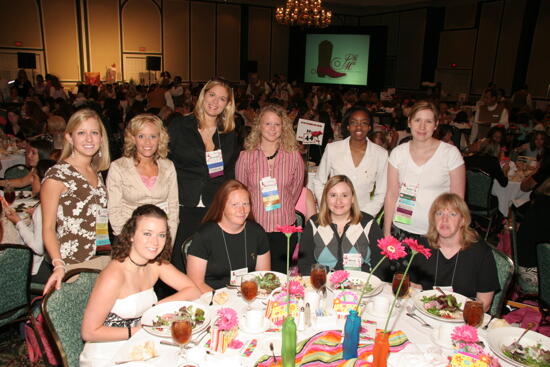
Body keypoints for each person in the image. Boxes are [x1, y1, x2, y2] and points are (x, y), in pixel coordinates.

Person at [80, 205, 201, 367]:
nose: (155, 242)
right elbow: (89, 332)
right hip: (107, 353)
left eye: (161, 235)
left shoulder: (155, 265)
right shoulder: (113, 276)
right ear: (131, 235)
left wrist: (156, 308)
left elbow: (193, 290)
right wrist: (136, 331)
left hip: (140, 345)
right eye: (147, 234)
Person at [168, 77, 239, 272]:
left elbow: (228, 172)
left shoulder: (227, 133)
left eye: (222, 99)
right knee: (179, 261)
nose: (215, 102)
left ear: (227, 104)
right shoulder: (180, 125)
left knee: (208, 260)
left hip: (212, 205)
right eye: (212, 95)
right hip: (184, 202)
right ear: (203, 95)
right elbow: (165, 161)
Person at [41, 108, 111, 294]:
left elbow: (100, 220)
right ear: (69, 138)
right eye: (81, 133)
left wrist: (108, 255)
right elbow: (48, 228)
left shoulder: (96, 172)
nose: (89, 139)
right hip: (72, 265)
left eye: (94, 133)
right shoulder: (57, 175)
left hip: (100, 260)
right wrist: (58, 265)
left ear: (101, 138)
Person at [236, 104, 304, 273]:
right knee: (256, 277)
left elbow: (295, 191)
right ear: (259, 126)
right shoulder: (246, 156)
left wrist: (282, 205)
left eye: (277, 124)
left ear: (284, 127)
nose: (272, 129)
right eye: (268, 124)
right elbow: (241, 192)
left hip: (285, 229)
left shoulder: (294, 156)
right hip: (254, 228)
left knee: (281, 277)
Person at [384, 100, 465, 239]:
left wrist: (454, 234)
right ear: (409, 122)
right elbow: (391, 194)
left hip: (437, 231)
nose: (422, 126)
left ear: (436, 125)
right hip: (401, 228)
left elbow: (458, 200)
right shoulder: (398, 153)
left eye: (428, 121)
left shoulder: (450, 154)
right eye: (417, 120)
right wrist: (386, 231)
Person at [409, 193, 499, 312]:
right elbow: (414, 288)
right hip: (425, 314)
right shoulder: (422, 246)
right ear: (433, 219)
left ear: (463, 220)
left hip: (462, 318)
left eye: (452, 214)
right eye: (439, 213)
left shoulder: (480, 252)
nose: (444, 219)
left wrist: (454, 316)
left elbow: (484, 303)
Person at [298, 175, 389, 280]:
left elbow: (382, 265)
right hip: (325, 284)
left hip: (361, 287)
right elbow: (304, 265)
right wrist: (330, 276)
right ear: (326, 198)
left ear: (353, 198)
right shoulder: (314, 224)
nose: (338, 201)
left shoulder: (368, 223)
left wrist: (366, 284)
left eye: (344, 195)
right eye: (333, 195)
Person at [186, 180, 270, 292]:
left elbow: (263, 277)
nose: (242, 210)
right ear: (221, 206)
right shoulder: (205, 236)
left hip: (248, 296)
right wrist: (221, 301)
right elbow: (196, 283)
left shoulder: (257, 232)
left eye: (245, 204)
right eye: (234, 204)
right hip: (212, 298)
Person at [107, 114, 179, 240]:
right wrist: (130, 241)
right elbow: (114, 211)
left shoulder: (168, 166)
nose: (147, 142)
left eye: (153, 136)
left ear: (160, 138)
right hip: (129, 239)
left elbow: (173, 209)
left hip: (160, 239)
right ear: (133, 139)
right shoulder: (118, 167)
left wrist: (168, 242)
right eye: (141, 136)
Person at [312, 106, 388, 218]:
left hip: (363, 216)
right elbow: (319, 181)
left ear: (369, 127)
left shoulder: (381, 154)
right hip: (334, 214)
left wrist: (365, 216)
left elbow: (382, 192)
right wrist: (328, 207)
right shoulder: (333, 149)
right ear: (348, 126)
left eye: (364, 123)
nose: (359, 127)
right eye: (354, 122)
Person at [2, 159, 56, 284]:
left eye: (34, 178)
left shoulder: (43, 209)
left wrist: (18, 222)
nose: (31, 181)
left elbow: (38, 248)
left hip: (40, 270)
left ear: (44, 181)